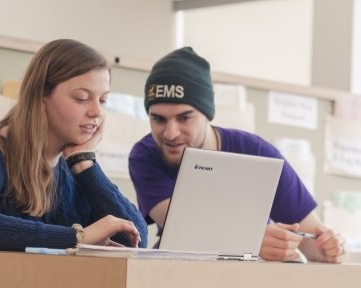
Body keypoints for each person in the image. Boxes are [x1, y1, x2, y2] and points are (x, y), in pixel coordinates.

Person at [0, 39, 148, 251]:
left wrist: (85, 163)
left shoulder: (74, 172)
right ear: (41, 95)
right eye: (81, 98)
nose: (97, 112)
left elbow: (134, 238)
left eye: (103, 100)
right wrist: (77, 237)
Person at [128, 47, 345, 263]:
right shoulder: (146, 155)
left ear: (207, 114)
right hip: (174, 278)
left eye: (184, 118)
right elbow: (182, 224)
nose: (171, 133)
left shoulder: (258, 153)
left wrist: (328, 248)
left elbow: (310, 239)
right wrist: (250, 243)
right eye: (158, 119)